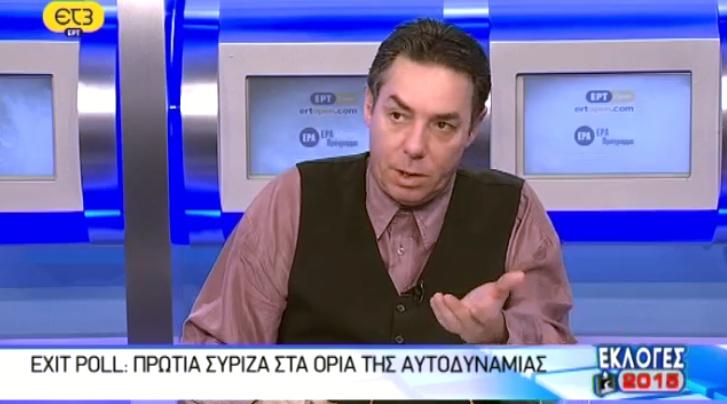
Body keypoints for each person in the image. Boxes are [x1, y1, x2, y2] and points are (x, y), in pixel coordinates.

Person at [183, 18, 575, 348]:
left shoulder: (515, 210)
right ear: (369, 107)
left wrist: (500, 333)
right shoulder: (294, 198)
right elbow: (213, 355)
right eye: (398, 116)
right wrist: (263, 399)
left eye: (442, 125)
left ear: (473, 128)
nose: (415, 146)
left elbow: (561, 367)